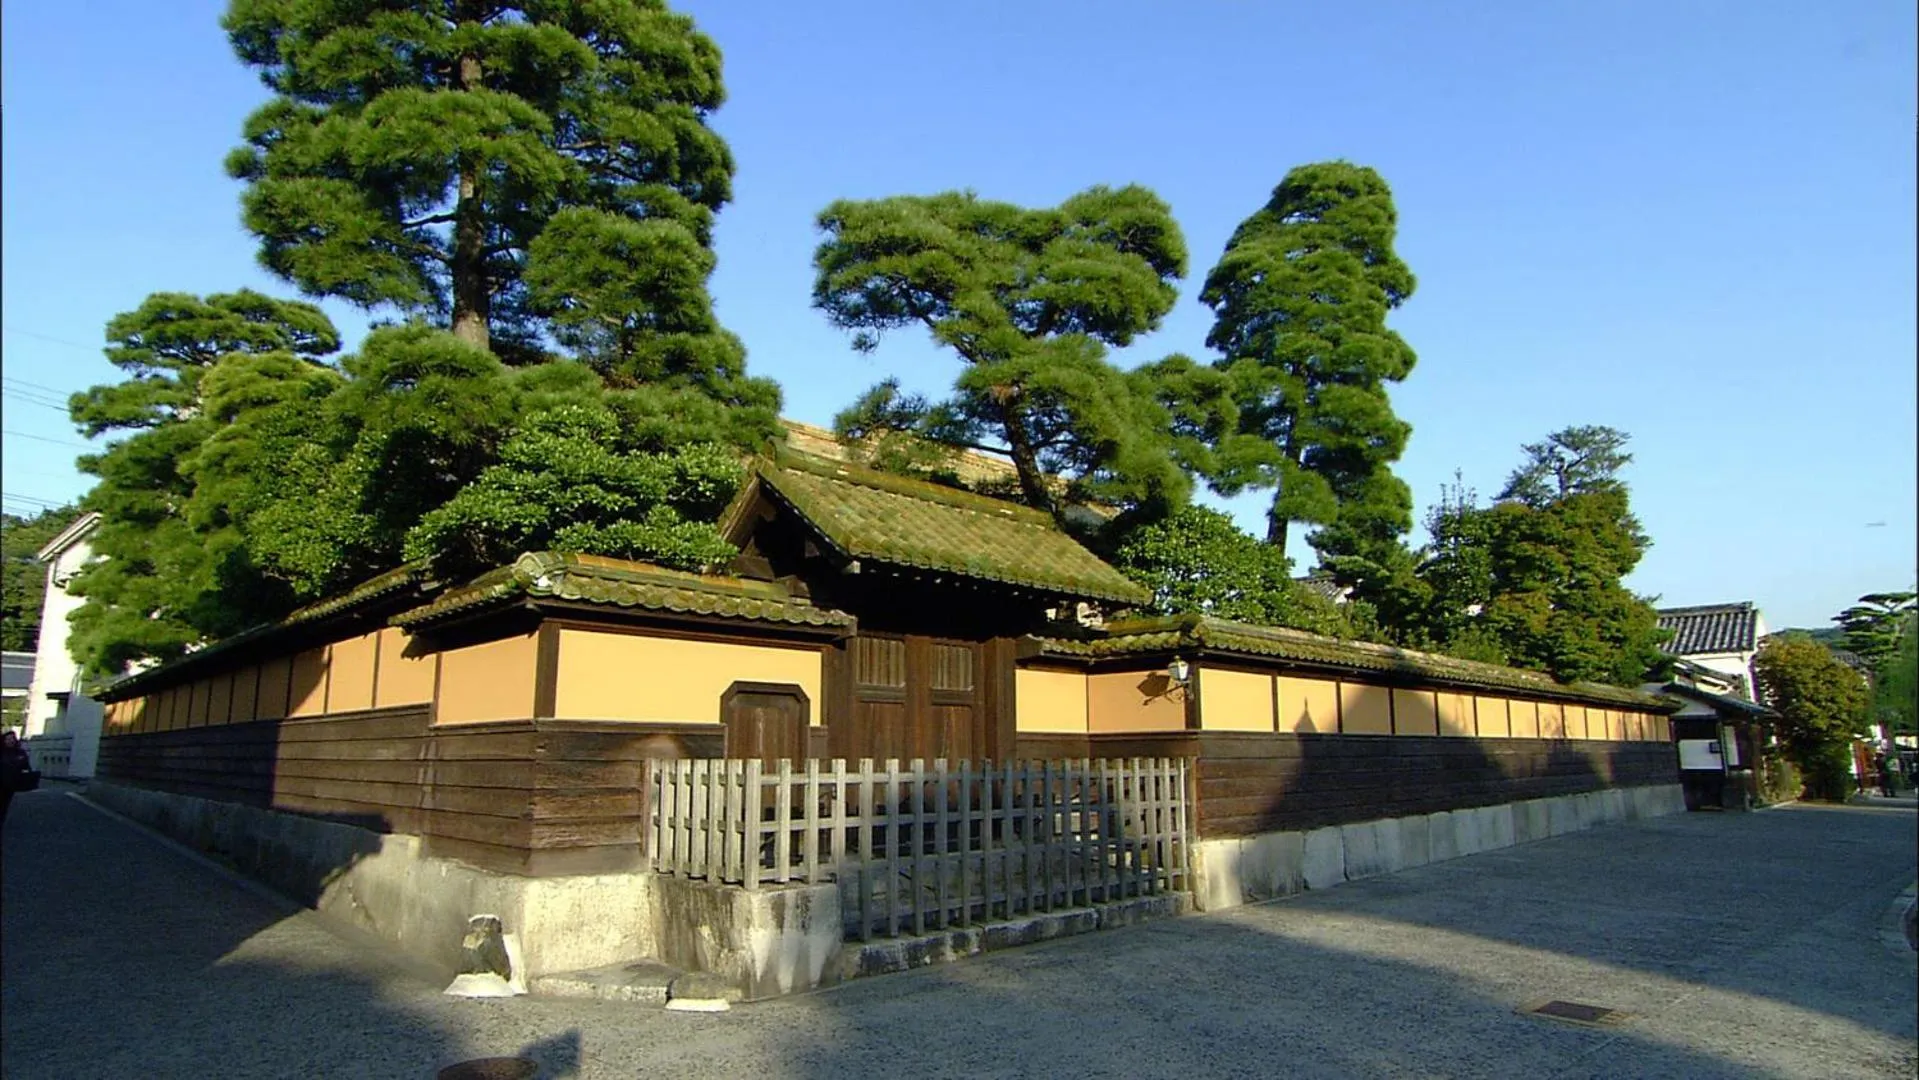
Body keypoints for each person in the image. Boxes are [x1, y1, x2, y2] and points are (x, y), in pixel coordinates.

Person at [1, 729, 35, 828]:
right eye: (7, 739)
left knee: (4, 804)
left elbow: (26, 767)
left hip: (10, 784)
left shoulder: (20, 753)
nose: (10, 741)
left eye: (12, 739)